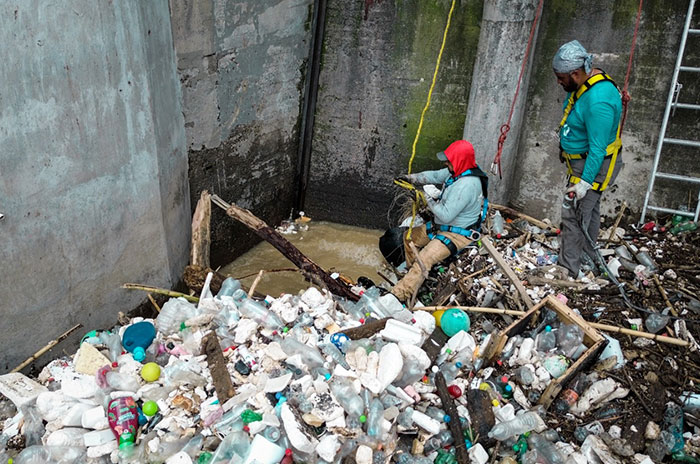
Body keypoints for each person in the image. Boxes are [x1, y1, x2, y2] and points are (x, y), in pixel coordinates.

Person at [552, 40, 623, 278]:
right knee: (589, 212)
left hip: (593, 165)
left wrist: (584, 183)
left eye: (561, 77)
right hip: (583, 162)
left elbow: (598, 149)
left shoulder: (598, 102)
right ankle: (587, 256)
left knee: (573, 214)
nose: (559, 82)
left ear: (576, 72)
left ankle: (567, 268)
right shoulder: (590, 79)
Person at [391, 139, 488, 302]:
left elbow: (445, 215)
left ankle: (397, 296)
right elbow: (435, 175)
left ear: (459, 161)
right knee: (409, 238)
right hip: (443, 225)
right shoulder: (458, 171)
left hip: (458, 234)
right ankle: (413, 275)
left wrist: (427, 197)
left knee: (424, 258)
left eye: (449, 162)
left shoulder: (467, 185)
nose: (446, 165)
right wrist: (411, 178)